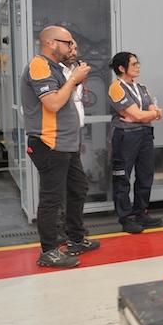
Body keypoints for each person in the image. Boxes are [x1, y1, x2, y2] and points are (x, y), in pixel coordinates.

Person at [22, 26, 99, 268]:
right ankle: (49, 250)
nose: (71, 47)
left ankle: (75, 239)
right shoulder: (39, 65)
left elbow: (63, 97)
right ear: (52, 43)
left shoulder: (56, 68)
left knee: (78, 188)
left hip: (66, 144)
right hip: (49, 143)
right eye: (67, 43)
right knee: (51, 198)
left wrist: (75, 81)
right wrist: (74, 79)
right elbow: (53, 103)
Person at [108, 52, 163, 233]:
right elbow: (140, 114)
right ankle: (125, 218)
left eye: (138, 63)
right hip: (125, 136)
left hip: (145, 134)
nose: (138, 66)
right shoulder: (116, 87)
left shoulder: (142, 87)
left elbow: (149, 110)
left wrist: (147, 115)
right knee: (123, 177)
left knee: (145, 175)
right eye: (134, 64)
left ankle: (141, 213)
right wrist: (147, 115)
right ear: (122, 68)